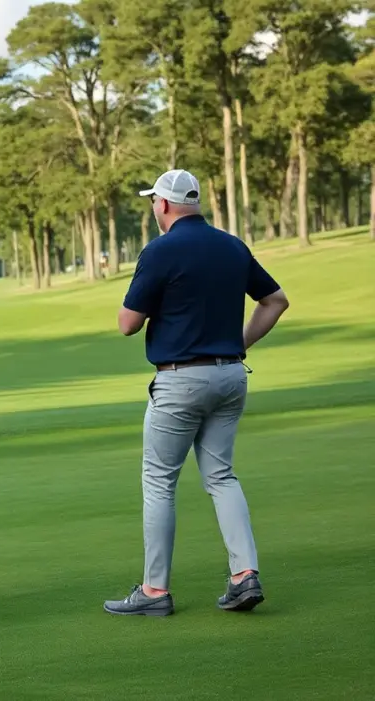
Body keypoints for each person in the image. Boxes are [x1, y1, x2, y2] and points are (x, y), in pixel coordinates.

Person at [104, 169, 290, 617]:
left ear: (164, 205)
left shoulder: (160, 250)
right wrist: (237, 344)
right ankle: (245, 575)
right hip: (230, 376)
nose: (153, 209)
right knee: (221, 476)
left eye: (153, 202)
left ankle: (154, 592)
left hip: (179, 380)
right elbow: (276, 300)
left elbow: (128, 324)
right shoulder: (232, 245)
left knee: (159, 482)